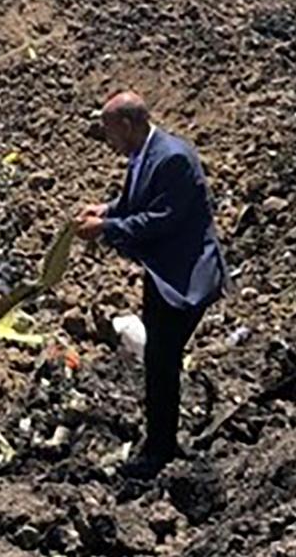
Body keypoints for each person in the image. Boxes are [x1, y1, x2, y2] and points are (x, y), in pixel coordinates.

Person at [74, 91, 227, 477]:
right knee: (160, 359)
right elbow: (135, 200)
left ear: (127, 125)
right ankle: (160, 442)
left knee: (162, 359)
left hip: (184, 277)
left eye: (110, 132)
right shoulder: (145, 154)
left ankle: (160, 451)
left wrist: (106, 228)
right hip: (162, 274)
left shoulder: (173, 157)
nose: (108, 141)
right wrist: (107, 210)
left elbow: (160, 218)